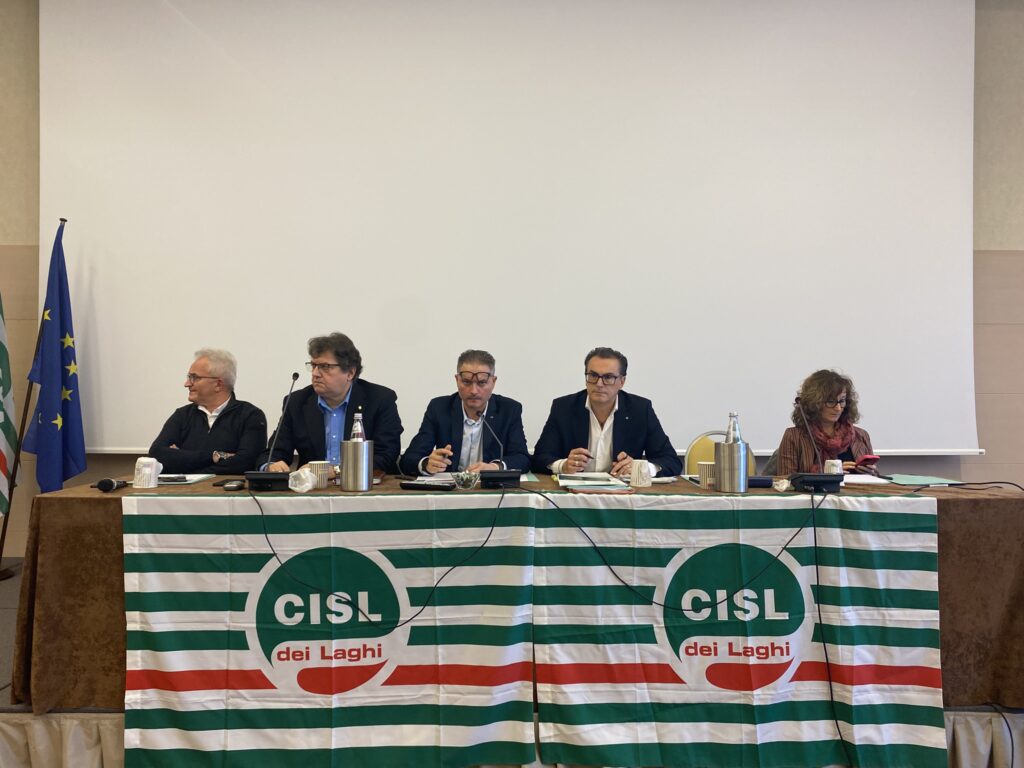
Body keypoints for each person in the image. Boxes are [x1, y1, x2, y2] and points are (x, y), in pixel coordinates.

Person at [259, 333, 402, 473]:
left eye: (325, 366)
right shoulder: (296, 402)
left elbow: (386, 455)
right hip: (314, 486)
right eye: (313, 365)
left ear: (350, 373)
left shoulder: (379, 400)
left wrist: (337, 470)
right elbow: (274, 452)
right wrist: (271, 465)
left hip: (365, 485)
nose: (315, 373)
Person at [532, 347, 682, 477]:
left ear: (622, 382)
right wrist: (563, 466)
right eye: (593, 375)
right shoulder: (564, 407)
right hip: (574, 492)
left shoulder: (640, 409)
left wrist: (640, 468)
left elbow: (671, 461)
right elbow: (539, 458)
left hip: (623, 494)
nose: (599, 384)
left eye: (608, 377)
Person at [399, 350, 530, 475]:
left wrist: (496, 467)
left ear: (493, 382)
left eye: (482, 383)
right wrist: (426, 464)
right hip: (450, 487)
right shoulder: (439, 408)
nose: (473, 391)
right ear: (457, 380)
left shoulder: (509, 410)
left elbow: (522, 458)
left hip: (489, 487)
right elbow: (409, 458)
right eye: (466, 382)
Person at [149, 349, 268, 474]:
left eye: (194, 378)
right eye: (189, 377)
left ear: (218, 384)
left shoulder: (250, 416)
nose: (187, 384)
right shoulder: (182, 415)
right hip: (181, 486)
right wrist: (214, 456)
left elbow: (244, 463)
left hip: (224, 487)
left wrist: (182, 459)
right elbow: (157, 456)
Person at [775, 369, 876, 475]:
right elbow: (785, 480)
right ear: (814, 403)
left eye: (842, 401)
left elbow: (875, 478)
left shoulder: (861, 436)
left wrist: (872, 472)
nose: (838, 408)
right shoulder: (794, 436)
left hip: (857, 486)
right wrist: (828, 472)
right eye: (830, 401)